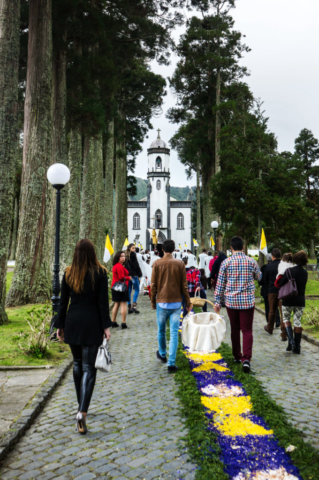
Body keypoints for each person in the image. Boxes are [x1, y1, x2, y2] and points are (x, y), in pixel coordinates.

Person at [55, 239, 112, 434]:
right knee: (89, 367)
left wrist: (60, 325)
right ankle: (82, 411)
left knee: (78, 364)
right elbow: (103, 303)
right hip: (91, 323)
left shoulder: (69, 272)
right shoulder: (100, 272)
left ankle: (81, 404)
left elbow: (63, 303)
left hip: (73, 322)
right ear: (92, 252)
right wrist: (106, 326)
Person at [214, 236, 261, 373]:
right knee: (247, 330)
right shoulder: (251, 261)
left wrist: (217, 301)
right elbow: (259, 277)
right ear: (243, 247)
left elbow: (220, 284)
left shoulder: (226, 263)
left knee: (235, 329)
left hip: (231, 302)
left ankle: (236, 355)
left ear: (231, 248)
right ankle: (246, 359)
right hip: (247, 301)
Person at [151, 239, 191, 373]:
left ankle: (163, 354)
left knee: (161, 330)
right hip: (176, 302)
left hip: (161, 302)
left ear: (162, 249)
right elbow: (184, 286)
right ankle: (171, 363)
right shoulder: (179, 264)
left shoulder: (156, 263)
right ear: (174, 250)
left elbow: (153, 285)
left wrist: (152, 300)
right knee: (174, 333)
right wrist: (188, 302)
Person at [279, 251, 308, 354]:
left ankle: (291, 341)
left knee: (286, 319)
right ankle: (297, 347)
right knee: (297, 321)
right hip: (300, 301)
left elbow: (281, 283)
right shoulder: (305, 272)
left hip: (288, 299)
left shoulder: (289, 271)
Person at [264, 248, 287, 340]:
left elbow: (265, 279)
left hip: (272, 290)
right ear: (280, 256)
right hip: (282, 291)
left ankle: (270, 328)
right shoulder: (284, 265)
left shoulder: (268, 266)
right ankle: (284, 332)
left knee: (272, 310)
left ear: (272, 256)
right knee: (283, 313)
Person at [259, 253, 281, 326]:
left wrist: (259, 282)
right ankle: (277, 320)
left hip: (267, 289)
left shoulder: (264, 267)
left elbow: (263, 279)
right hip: (276, 288)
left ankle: (269, 322)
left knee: (268, 307)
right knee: (275, 306)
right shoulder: (278, 266)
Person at [112, 251, 131, 328]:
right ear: (118, 257)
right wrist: (129, 278)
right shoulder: (119, 266)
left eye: (124, 256)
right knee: (123, 304)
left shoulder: (117, 265)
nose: (124, 257)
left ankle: (113, 321)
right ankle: (123, 323)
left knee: (116, 304)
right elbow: (121, 277)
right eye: (122, 256)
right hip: (121, 287)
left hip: (115, 287)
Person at [125, 243, 142, 314]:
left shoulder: (125, 255)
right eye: (133, 248)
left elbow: (125, 266)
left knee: (129, 290)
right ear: (129, 248)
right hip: (134, 275)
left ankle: (129, 306)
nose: (134, 249)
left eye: (134, 248)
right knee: (137, 290)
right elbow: (136, 265)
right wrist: (139, 274)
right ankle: (134, 306)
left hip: (128, 275)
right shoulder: (133, 255)